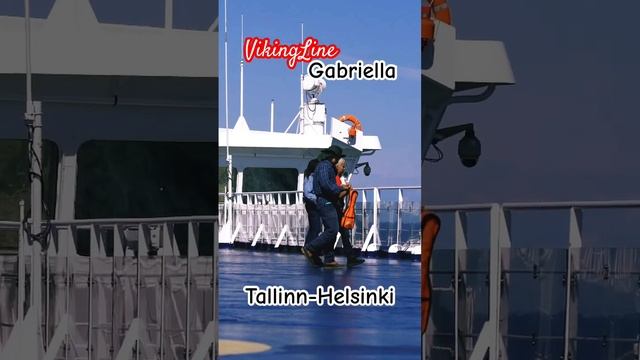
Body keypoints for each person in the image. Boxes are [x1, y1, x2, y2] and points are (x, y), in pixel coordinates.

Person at [301, 145, 350, 267]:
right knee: (332, 229)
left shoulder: (325, 166)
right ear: (334, 158)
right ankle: (310, 248)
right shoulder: (325, 167)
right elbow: (326, 185)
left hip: (326, 201)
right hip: (325, 201)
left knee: (331, 229)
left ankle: (328, 259)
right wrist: (341, 188)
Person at [323, 157, 365, 267]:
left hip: (337, 209)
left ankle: (347, 257)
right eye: (343, 166)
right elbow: (337, 196)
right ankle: (328, 257)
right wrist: (347, 191)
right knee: (334, 233)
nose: (344, 168)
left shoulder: (338, 179)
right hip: (335, 209)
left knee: (343, 234)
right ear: (337, 167)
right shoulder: (336, 179)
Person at [303, 159, 321, 246]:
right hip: (312, 205)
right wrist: (317, 199)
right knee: (316, 227)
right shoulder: (311, 177)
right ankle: (310, 247)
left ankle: (308, 246)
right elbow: (307, 192)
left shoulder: (310, 176)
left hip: (311, 204)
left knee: (314, 227)